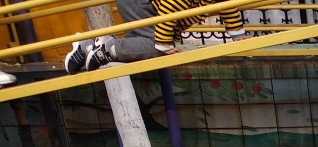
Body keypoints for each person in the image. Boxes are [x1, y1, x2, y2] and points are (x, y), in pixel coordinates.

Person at [64, 0, 246, 74]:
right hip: (140, 3)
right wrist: (164, 44)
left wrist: (238, 34)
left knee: (139, 48)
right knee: (156, 48)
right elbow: (170, 8)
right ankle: (107, 49)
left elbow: (228, 6)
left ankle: (86, 48)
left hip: (144, 5)